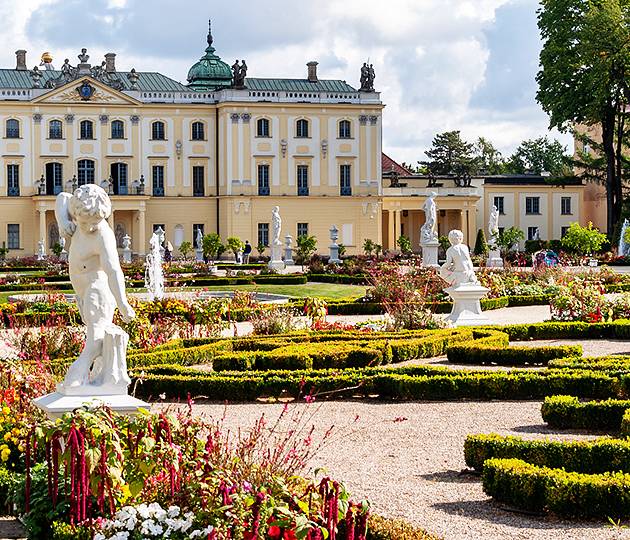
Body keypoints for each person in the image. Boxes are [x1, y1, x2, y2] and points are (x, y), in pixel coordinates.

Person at [55, 184, 136, 389]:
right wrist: (62, 220)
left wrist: (123, 303)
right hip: (83, 292)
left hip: (97, 288)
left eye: (96, 222)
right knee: (95, 330)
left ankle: (78, 372)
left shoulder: (103, 235)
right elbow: (62, 197)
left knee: (97, 333)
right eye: (86, 223)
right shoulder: (75, 210)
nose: (91, 227)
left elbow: (113, 271)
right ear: (77, 213)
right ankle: (104, 375)